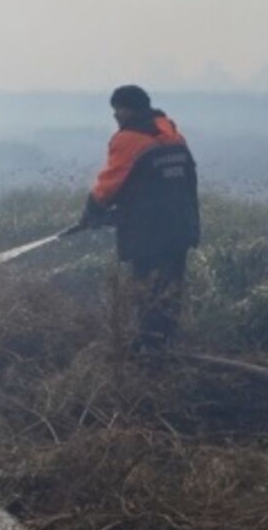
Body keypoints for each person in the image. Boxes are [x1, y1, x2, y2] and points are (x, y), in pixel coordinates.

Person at [76, 84, 200, 352]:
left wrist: (91, 212)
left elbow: (109, 184)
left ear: (127, 110)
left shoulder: (128, 139)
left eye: (117, 110)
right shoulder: (173, 136)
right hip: (181, 225)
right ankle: (165, 343)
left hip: (149, 232)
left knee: (145, 288)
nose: (115, 116)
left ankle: (148, 347)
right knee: (171, 287)